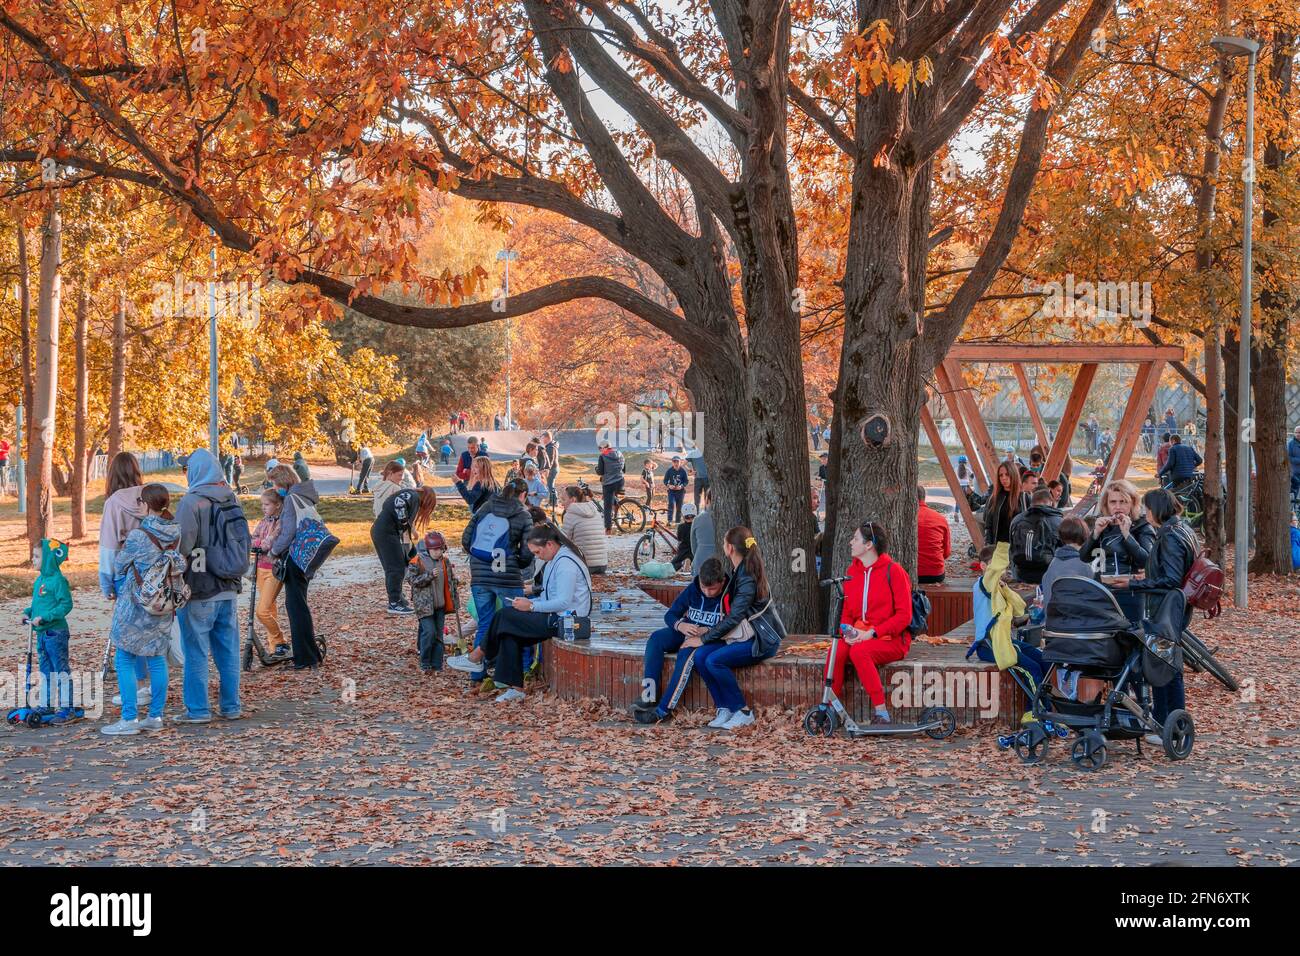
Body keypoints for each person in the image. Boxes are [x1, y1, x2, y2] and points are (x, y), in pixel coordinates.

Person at [448, 523, 591, 701]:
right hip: (558, 617)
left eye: (537, 552)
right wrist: (529, 602)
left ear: (549, 545)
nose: (537, 556)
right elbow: (550, 597)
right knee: (508, 630)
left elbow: (563, 602)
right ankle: (514, 688)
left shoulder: (565, 564)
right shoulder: (557, 559)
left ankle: (477, 656)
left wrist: (531, 606)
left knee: (504, 616)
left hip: (567, 622)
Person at [1111, 489, 1196, 737]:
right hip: (1174, 607)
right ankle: (1167, 723)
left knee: (1164, 668)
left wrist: (1133, 584)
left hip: (1165, 609)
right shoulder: (1181, 529)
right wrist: (1148, 575)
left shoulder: (1169, 535)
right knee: (1166, 666)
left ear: (1156, 509)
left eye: (1148, 508)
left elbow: (1170, 579)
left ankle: (1169, 727)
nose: (1146, 513)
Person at [683, 527, 785, 730]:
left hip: (759, 640)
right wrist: (705, 633)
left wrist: (703, 639)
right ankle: (725, 708)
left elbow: (735, 616)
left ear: (729, 547)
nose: (723, 545)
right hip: (742, 636)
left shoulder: (747, 576)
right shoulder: (740, 570)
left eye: (723, 542)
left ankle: (742, 711)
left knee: (714, 660)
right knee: (701, 657)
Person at [101, 484, 181, 735]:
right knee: (157, 659)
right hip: (163, 603)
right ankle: (155, 717)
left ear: (146, 505)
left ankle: (129, 719)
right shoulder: (176, 532)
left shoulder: (139, 535)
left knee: (123, 658)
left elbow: (120, 564)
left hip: (136, 605)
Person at [175, 448, 244, 721]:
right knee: (228, 650)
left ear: (195, 471)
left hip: (200, 585)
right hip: (229, 583)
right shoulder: (232, 498)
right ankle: (231, 706)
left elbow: (183, 545)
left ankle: (198, 709)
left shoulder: (191, 502)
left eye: (186, 468)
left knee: (195, 650)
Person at [827, 521, 911, 725]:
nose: (850, 542)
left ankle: (881, 712)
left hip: (891, 638)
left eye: (855, 539)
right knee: (836, 650)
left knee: (859, 652)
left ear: (869, 545)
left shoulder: (895, 571)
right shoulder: (852, 571)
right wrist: (846, 630)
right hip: (859, 634)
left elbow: (904, 616)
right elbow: (846, 611)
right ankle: (830, 709)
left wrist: (873, 633)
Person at [632, 557, 728, 722]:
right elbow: (670, 615)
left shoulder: (729, 594)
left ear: (723, 581)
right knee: (656, 639)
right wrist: (680, 625)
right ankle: (649, 695)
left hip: (711, 639)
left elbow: (732, 623)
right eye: (704, 588)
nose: (708, 592)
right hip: (687, 631)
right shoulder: (693, 589)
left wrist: (708, 632)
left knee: (685, 654)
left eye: (713, 589)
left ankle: (663, 710)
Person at [458, 477, 535, 681]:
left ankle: (477, 672)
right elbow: (527, 553)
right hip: (507, 578)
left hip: (480, 576)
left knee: (485, 622)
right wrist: (513, 563)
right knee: (518, 621)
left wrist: (481, 560)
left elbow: (466, 539)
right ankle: (524, 669)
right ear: (523, 494)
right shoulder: (523, 514)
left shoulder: (485, 507)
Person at [966, 542, 1044, 721]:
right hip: (989, 646)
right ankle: (1033, 712)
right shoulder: (983, 584)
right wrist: (1002, 546)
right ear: (984, 567)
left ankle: (1047, 706)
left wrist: (1006, 588)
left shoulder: (999, 589)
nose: (1003, 569)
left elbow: (1019, 609)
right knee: (1031, 669)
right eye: (999, 565)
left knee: (1041, 659)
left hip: (1004, 642)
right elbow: (993, 572)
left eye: (1006, 566)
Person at [99, 452, 151, 706]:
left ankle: (136, 689)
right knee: (150, 630)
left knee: (127, 635)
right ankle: (149, 686)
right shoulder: (151, 497)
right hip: (152, 573)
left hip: (126, 574)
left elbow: (109, 546)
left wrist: (105, 582)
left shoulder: (114, 503)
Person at [268, 464, 326, 669]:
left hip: (294, 558)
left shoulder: (291, 499)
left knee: (296, 607)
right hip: (305, 557)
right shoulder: (303, 496)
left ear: (283, 481)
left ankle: (305, 657)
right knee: (299, 605)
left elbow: (288, 532)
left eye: (275, 484)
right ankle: (310, 653)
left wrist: (273, 551)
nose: (274, 488)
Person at [1082, 479, 1156, 622]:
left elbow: (1146, 561)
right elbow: (1084, 557)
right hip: (1103, 592)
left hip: (1131, 593)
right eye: (1113, 502)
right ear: (1106, 504)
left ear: (1133, 503)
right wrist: (1095, 534)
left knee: (1131, 635)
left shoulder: (1142, 526)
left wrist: (1127, 535)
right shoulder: (1103, 525)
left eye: (1123, 502)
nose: (1118, 507)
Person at [23, 538, 74, 723]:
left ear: (48, 560)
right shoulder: (40, 580)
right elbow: (37, 605)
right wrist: (28, 613)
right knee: (46, 671)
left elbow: (66, 604)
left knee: (60, 670)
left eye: (36, 556)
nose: (33, 560)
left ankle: (67, 708)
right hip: (41, 634)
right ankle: (47, 704)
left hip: (55, 633)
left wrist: (46, 617)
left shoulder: (58, 581)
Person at [371, 483, 439, 615]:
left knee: (398, 565)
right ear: (427, 499)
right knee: (395, 568)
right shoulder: (413, 496)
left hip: (384, 531)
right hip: (386, 532)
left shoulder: (409, 494)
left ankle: (398, 598)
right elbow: (399, 503)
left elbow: (389, 503)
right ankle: (394, 602)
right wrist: (403, 521)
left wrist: (408, 546)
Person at [250, 489, 290, 658]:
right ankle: (275, 648)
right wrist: (258, 544)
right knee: (270, 609)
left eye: (267, 504)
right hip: (260, 568)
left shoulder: (281, 523)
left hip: (274, 569)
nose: (263, 508)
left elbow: (269, 542)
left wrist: (260, 544)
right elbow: (252, 540)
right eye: (262, 504)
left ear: (277, 505)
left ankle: (281, 642)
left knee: (262, 611)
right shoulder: (264, 521)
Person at [407, 530, 455, 672]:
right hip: (424, 605)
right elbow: (412, 580)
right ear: (428, 548)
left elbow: (449, 579)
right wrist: (428, 576)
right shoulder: (417, 561)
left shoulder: (445, 561)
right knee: (429, 632)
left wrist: (455, 583)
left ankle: (437, 663)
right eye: (434, 549)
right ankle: (425, 661)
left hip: (440, 604)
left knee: (439, 636)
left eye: (440, 549)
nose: (437, 552)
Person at [1008, 487, 1063, 585]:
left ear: (1031, 503)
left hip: (1021, 573)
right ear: (1050, 502)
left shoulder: (1017, 519)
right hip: (1048, 574)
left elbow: (1011, 548)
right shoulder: (1058, 521)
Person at [1039, 516, 1097, 606]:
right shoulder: (1085, 566)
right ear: (1085, 535)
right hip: (1077, 618)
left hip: (1053, 618)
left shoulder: (1053, 564)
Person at [560, 484, 607, 574]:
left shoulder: (570, 514)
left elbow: (564, 541)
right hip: (602, 563)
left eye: (563, 499)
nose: (561, 503)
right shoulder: (595, 511)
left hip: (584, 565)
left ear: (573, 500)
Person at [981, 461, 1025, 545]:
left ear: (1014, 474)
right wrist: (988, 546)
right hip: (998, 547)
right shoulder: (994, 498)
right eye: (1001, 475)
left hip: (1018, 549)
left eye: (1007, 474)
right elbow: (988, 525)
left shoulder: (1024, 497)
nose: (1004, 478)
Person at [915, 486, 951, 584]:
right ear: (924, 497)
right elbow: (946, 553)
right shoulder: (940, 518)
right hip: (936, 574)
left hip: (910, 572)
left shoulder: (902, 519)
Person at [595, 440, 626, 534]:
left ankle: (608, 529)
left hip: (609, 484)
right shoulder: (619, 453)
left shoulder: (603, 456)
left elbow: (600, 472)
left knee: (607, 507)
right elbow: (624, 469)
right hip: (620, 482)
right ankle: (617, 512)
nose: (600, 450)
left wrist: (596, 469)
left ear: (605, 447)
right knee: (612, 498)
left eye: (600, 448)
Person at [690, 488, 717, 570]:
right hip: (719, 563)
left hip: (700, 562)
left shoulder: (698, 519)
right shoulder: (728, 519)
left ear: (707, 500)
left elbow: (693, 545)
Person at [671, 501, 697, 571]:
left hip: (683, 550)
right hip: (694, 549)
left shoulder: (681, 527)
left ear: (683, 515)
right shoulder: (697, 526)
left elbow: (679, 539)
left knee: (674, 563)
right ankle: (688, 561)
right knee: (693, 558)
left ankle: (683, 563)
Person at [663, 455, 688, 523]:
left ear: (680, 462)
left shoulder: (683, 471)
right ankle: (670, 520)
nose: (676, 463)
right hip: (671, 491)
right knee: (671, 504)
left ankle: (677, 521)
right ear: (672, 462)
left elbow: (686, 481)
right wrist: (669, 485)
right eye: (674, 462)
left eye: (677, 461)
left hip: (680, 491)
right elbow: (665, 480)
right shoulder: (669, 470)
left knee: (679, 506)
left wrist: (681, 486)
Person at [687, 445, 709, 509]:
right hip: (700, 479)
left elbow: (682, 463)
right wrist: (690, 471)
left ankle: (704, 512)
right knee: (698, 498)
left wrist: (690, 471)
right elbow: (682, 463)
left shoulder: (707, 452)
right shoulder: (693, 453)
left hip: (706, 478)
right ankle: (699, 512)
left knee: (705, 497)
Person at [541, 431, 559, 505]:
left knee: (550, 486)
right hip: (553, 468)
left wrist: (547, 469)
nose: (542, 440)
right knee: (551, 485)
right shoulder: (550, 446)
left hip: (552, 469)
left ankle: (553, 502)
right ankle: (553, 502)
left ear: (547, 438)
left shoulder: (550, 447)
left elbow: (550, 460)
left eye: (543, 438)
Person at [1287, 425, 1300, 498]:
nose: (1298, 434)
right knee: (1294, 491)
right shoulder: (1290, 444)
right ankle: (1293, 507)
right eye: (1296, 432)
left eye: (1299, 432)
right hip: (1294, 472)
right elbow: (1288, 457)